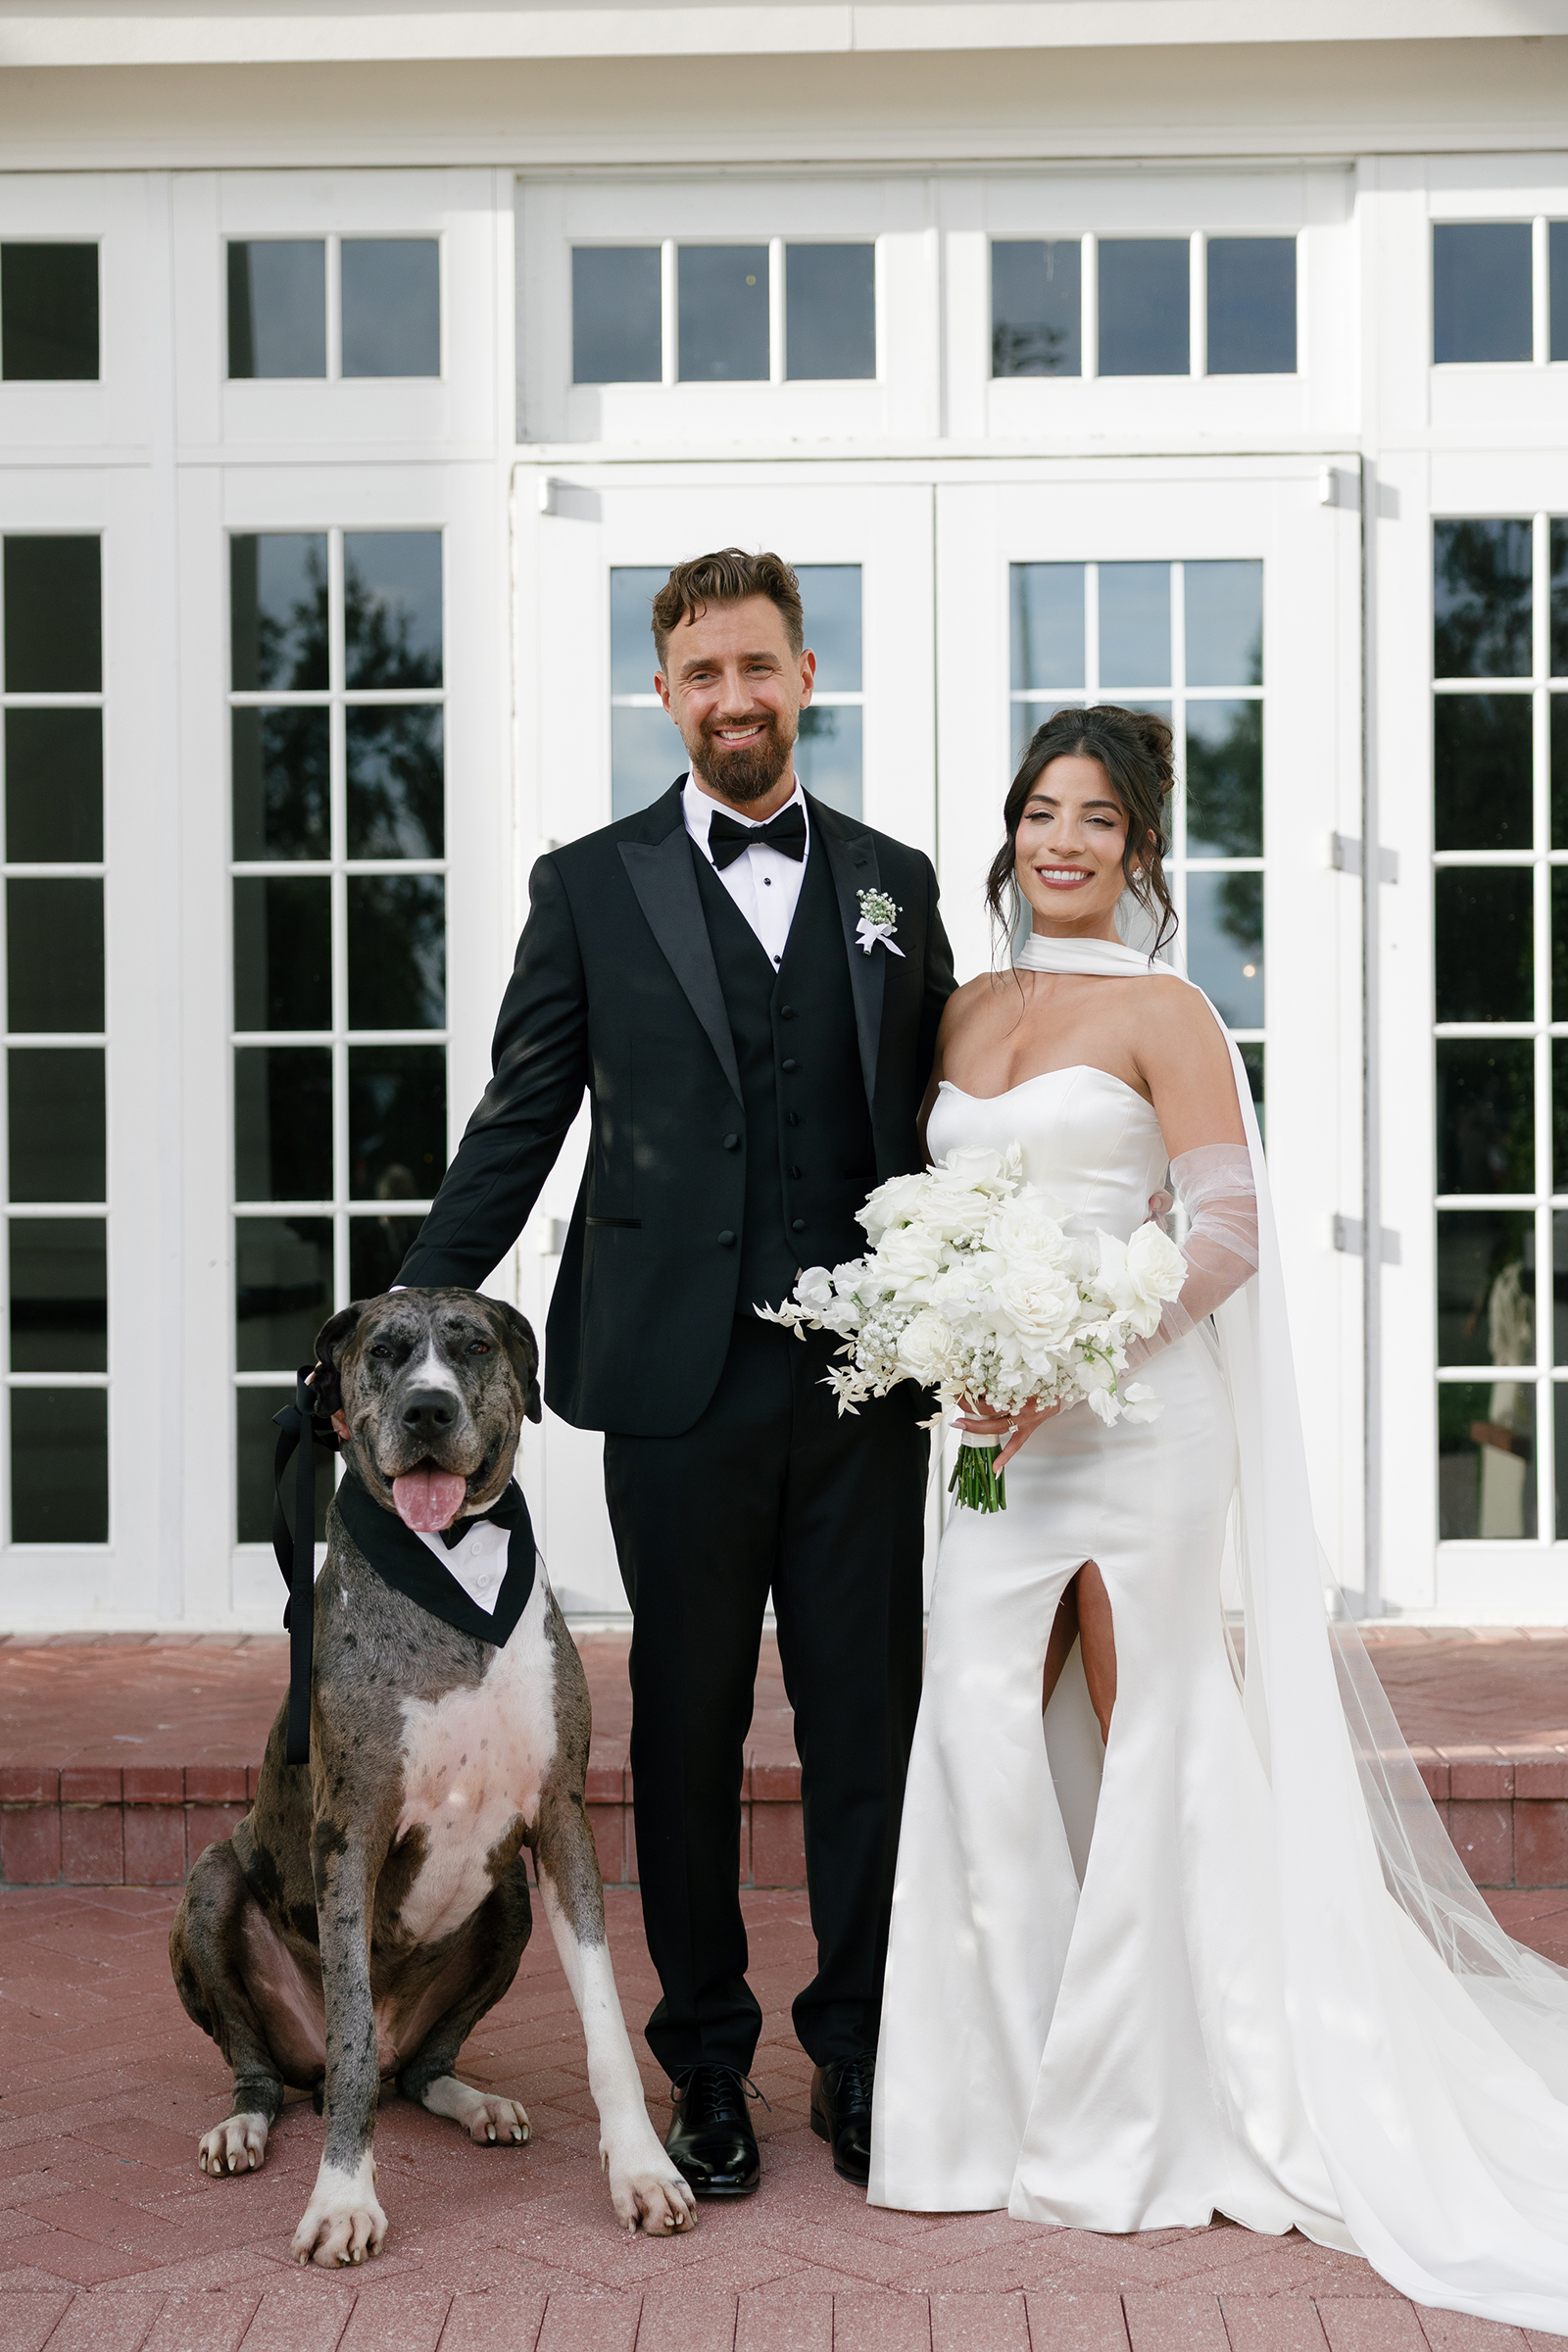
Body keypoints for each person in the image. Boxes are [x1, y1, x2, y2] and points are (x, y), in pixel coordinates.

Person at [869, 703, 1568, 2333]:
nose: (1061, 842)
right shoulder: (962, 1005)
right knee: (976, 1729)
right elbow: (931, 1210)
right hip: (982, 1440)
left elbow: (1230, 1229)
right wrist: (954, 1340)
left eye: (1096, 820)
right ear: (1009, 828)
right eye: (1041, 811)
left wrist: (1069, 1356)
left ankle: (1152, 2105)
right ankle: (975, 2109)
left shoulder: (1169, 1009)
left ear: (1141, 850)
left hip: (1132, 1424)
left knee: (1155, 1732)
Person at [397, 548, 955, 2200]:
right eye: (702, 673)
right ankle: (705, 2063)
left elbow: (938, 1127)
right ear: (667, 692)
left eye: (759, 668)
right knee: (692, 1732)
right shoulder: (589, 886)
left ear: (804, 677)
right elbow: (521, 1118)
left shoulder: (893, 881)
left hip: (861, 1385)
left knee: (868, 1723)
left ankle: (856, 2050)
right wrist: (415, 1308)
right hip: (673, 1383)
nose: (733, 698)